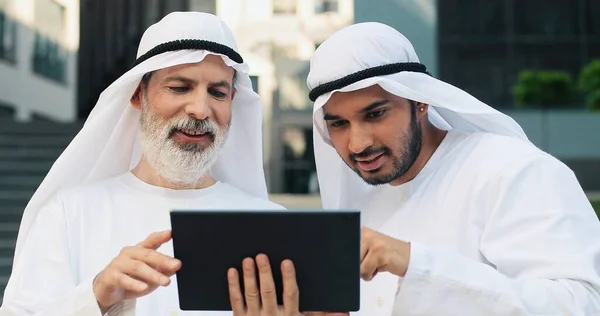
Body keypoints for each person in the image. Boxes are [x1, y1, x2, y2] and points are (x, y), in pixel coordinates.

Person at [0, 12, 315, 316]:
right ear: (139, 96)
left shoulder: (273, 225)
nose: (200, 110)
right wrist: (96, 296)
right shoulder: (68, 214)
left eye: (217, 92)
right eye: (180, 88)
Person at [307, 22, 600, 315]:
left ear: (420, 100)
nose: (358, 144)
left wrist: (415, 264)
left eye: (375, 114)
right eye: (338, 124)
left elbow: (581, 304)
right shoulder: (361, 204)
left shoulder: (514, 171)